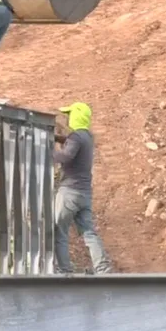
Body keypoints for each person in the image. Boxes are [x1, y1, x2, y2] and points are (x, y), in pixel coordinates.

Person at [52, 102, 112, 274]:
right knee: (88, 233)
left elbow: (66, 155)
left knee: (59, 231)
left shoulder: (76, 137)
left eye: (70, 114)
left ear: (76, 117)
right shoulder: (87, 137)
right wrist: (58, 138)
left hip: (69, 192)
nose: (68, 118)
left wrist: (47, 151)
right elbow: (73, 144)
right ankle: (103, 268)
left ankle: (64, 270)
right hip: (84, 194)